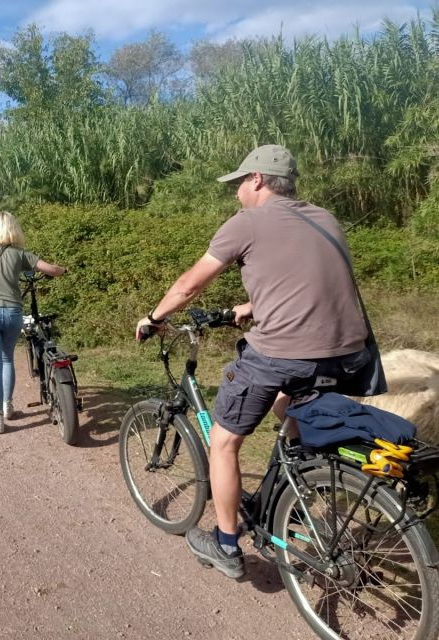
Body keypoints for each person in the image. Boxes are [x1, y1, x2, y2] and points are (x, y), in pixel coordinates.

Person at [135, 145, 370, 579]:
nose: (237, 191)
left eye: (240, 182)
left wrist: (153, 318)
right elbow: (307, 281)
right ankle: (295, 487)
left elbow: (189, 286)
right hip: (347, 353)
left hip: (285, 353)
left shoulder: (248, 222)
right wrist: (251, 304)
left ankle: (225, 544)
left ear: (258, 180)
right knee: (290, 402)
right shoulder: (324, 218)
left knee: (224, 442)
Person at [0, 211, 67, 434]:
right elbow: (50, 269)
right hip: (12, 313)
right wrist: (62, 270)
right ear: (14, 230)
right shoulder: (20, 254)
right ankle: (8, 407)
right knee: (7, 360)